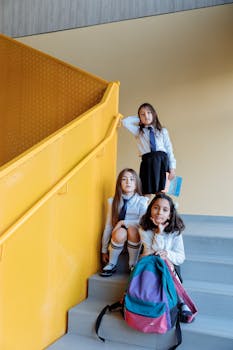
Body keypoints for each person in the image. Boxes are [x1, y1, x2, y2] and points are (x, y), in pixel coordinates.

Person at [139, 192, 192, 318]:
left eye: (165, 210)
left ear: (170, 214)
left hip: (170, 266)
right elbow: (149, 253)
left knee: (166, 262)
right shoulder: (144, 229)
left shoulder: (175, 231)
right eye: (156, 207)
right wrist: (158, 233)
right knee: (158, 260)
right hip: (149, 265)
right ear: (150, 209)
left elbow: (180, 257)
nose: (159, 213)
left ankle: (181, 301)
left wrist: (167, 254)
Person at [100, 168, 148, 277]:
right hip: (118, 236)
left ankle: (133, 264)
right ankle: (112, 263)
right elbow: (108, 226)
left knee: (132, 229)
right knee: (120, 232)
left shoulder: (142, 201)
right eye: (124, 179)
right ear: (119, 183)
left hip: (135, 235)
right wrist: (104, 250)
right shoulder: (113, 202)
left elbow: (142, 222)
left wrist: (123, 222)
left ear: (136, 184)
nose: (128, 182)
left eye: (132, 179)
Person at [122, 103, 176, 198]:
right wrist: (140, 119)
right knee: (146, 191)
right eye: (142, 114)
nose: (146, 116)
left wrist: (172, 167)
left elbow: (169, 149)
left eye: (149, 113)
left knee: (161, 192)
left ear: (154, 114)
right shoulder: (138, 132)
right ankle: (145, 211)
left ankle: (160, 210)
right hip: (147, 162)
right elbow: (125, 122)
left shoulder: (162, 131)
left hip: (162, 162)